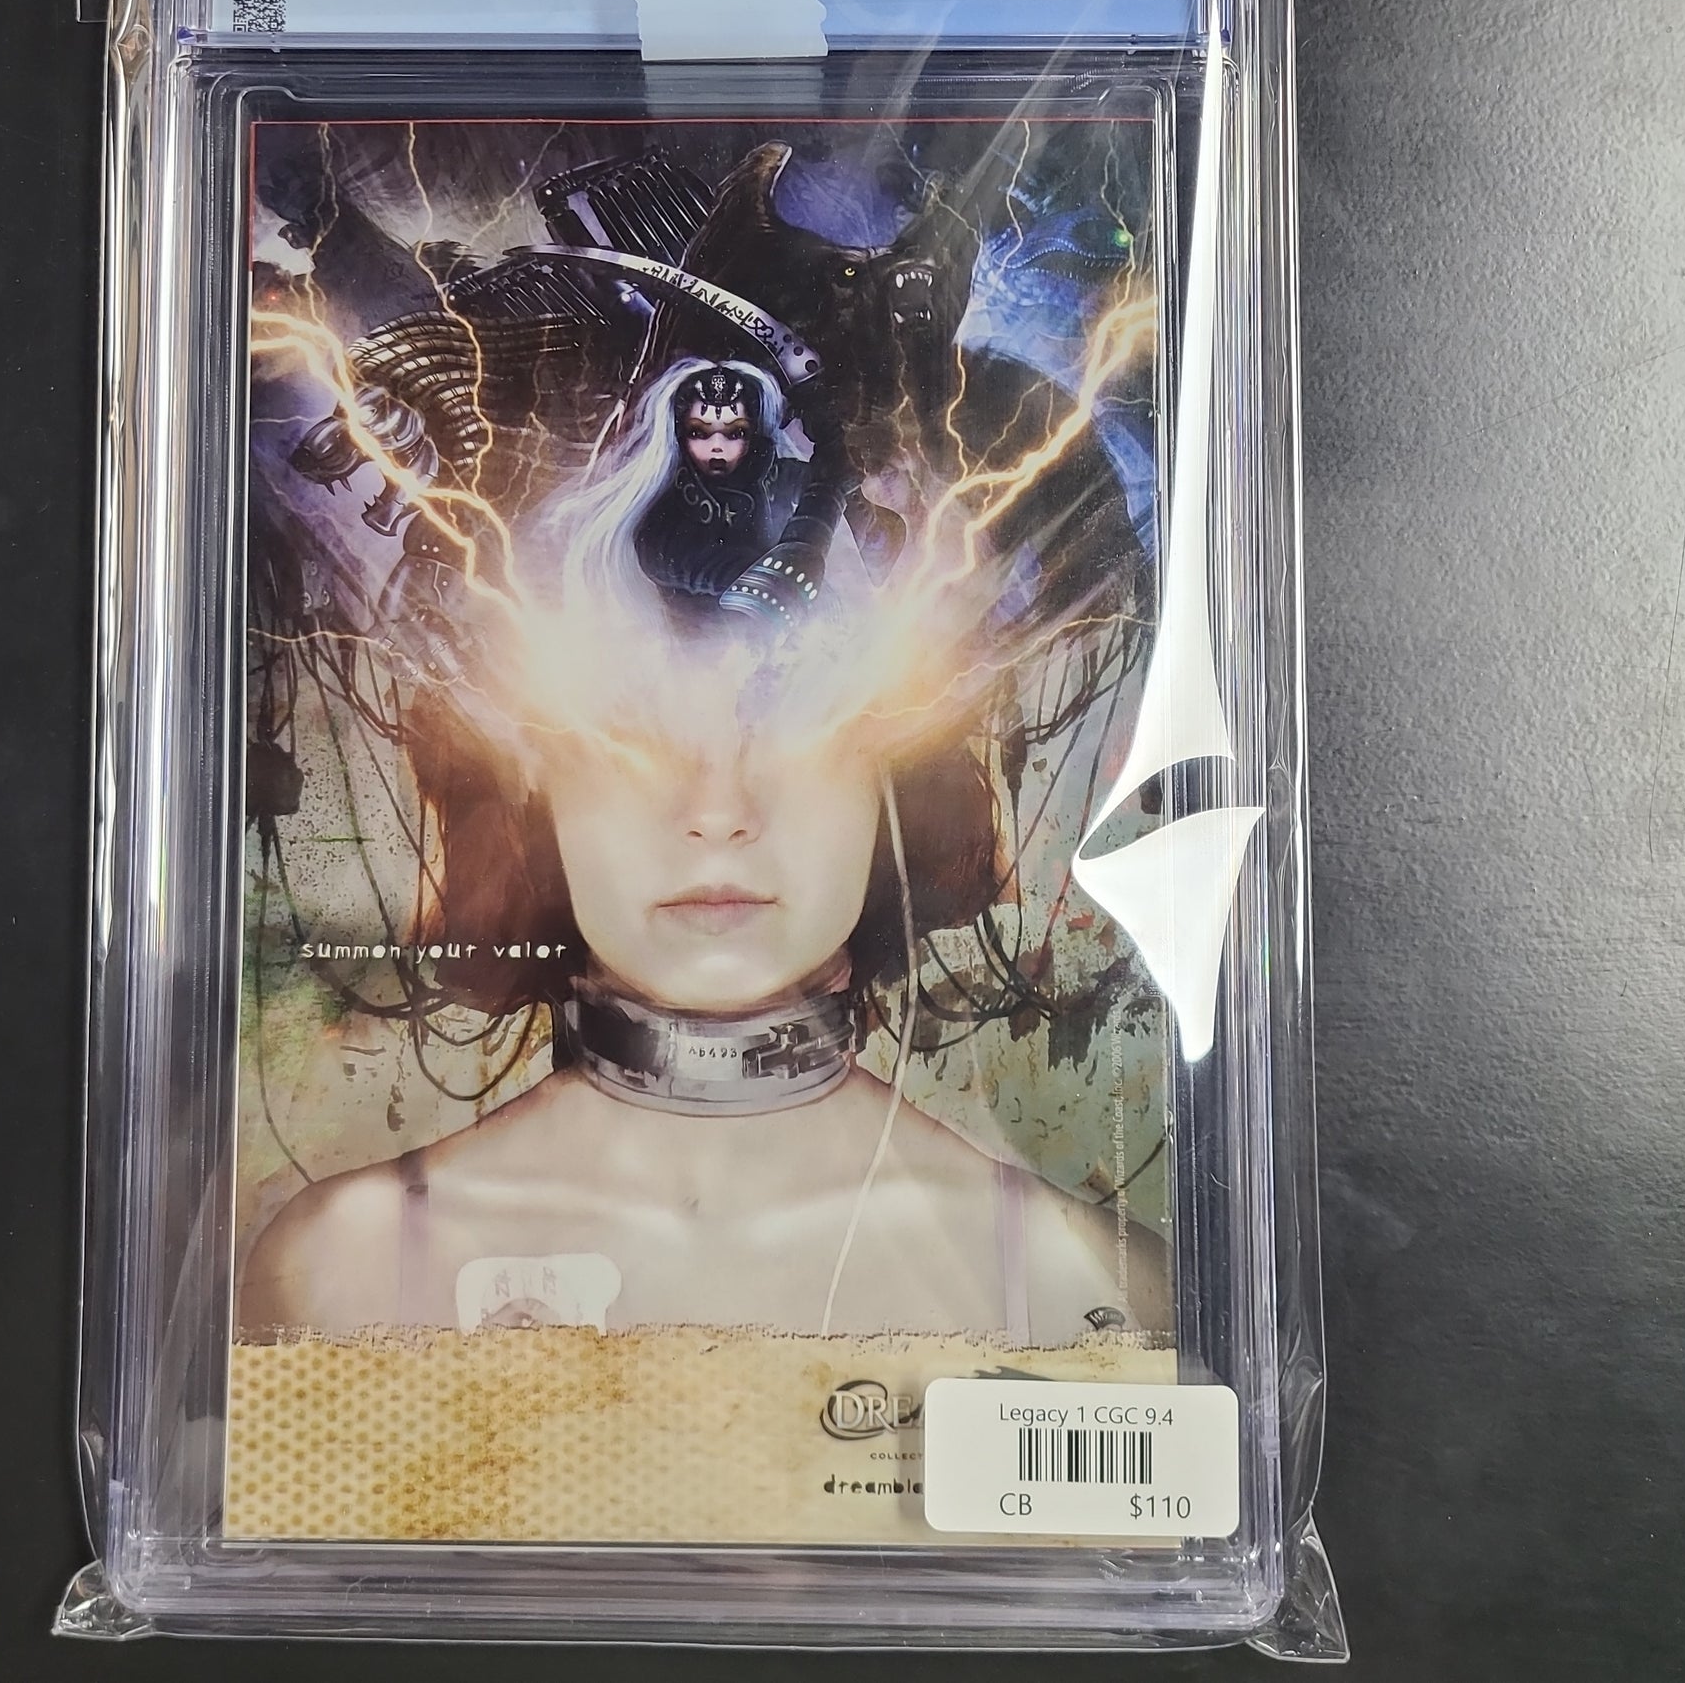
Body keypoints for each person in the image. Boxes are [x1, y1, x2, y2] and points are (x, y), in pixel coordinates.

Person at [239, 378, 1169, 1343]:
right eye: (631, 730)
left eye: (798, 719)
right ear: (533, 782)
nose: (718, 814)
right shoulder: (343, 1273)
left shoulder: (1084, 1292)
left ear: (893, 771)